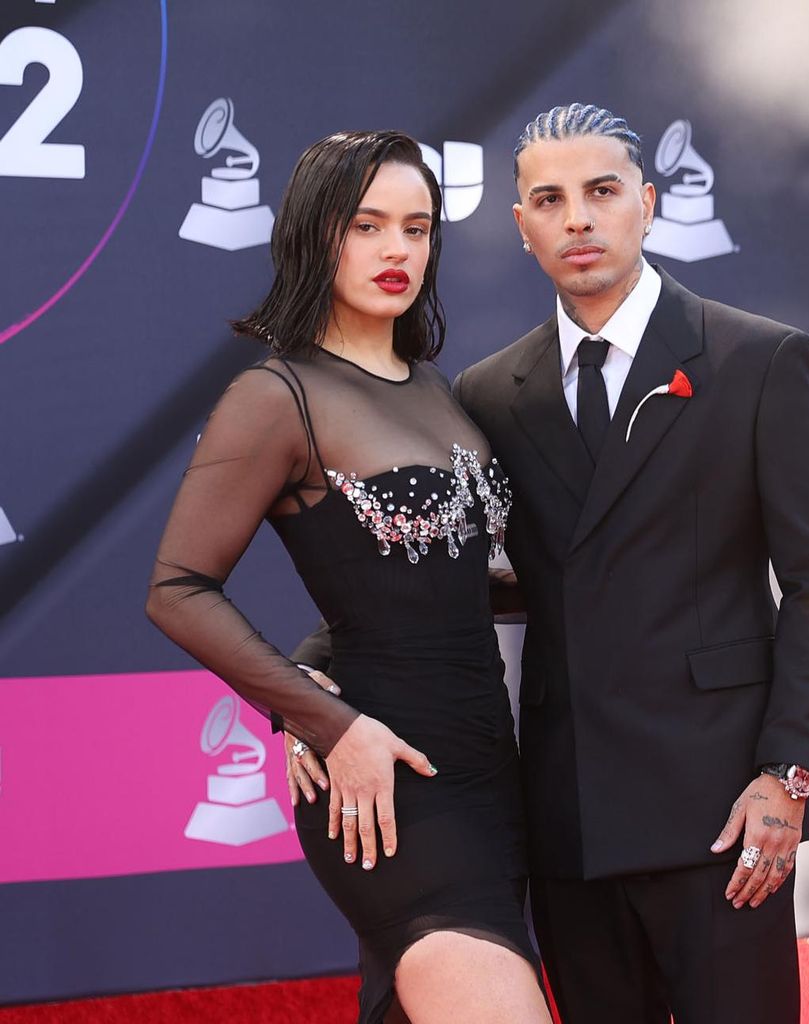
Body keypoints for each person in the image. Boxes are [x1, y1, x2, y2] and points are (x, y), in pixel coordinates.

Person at [295, 104, 809, 1024]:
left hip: (720, 809)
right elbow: (438, 566)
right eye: (549, 200)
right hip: (567, 814)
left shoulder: (759, 362)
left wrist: (789, 777)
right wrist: (318, 672)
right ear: (521, 226)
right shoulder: (489, 393)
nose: (578, 220)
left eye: (600, 193)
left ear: (646, 201)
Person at [146, 130, 552, 1024]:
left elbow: (419, 582)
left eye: (417, 227)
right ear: (314, 235)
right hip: (388, 781)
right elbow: (175, 588)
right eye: (366, 225)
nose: (396, 248)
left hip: (493, 770)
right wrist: (324, 717)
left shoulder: (435, 386)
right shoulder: (276, 396)